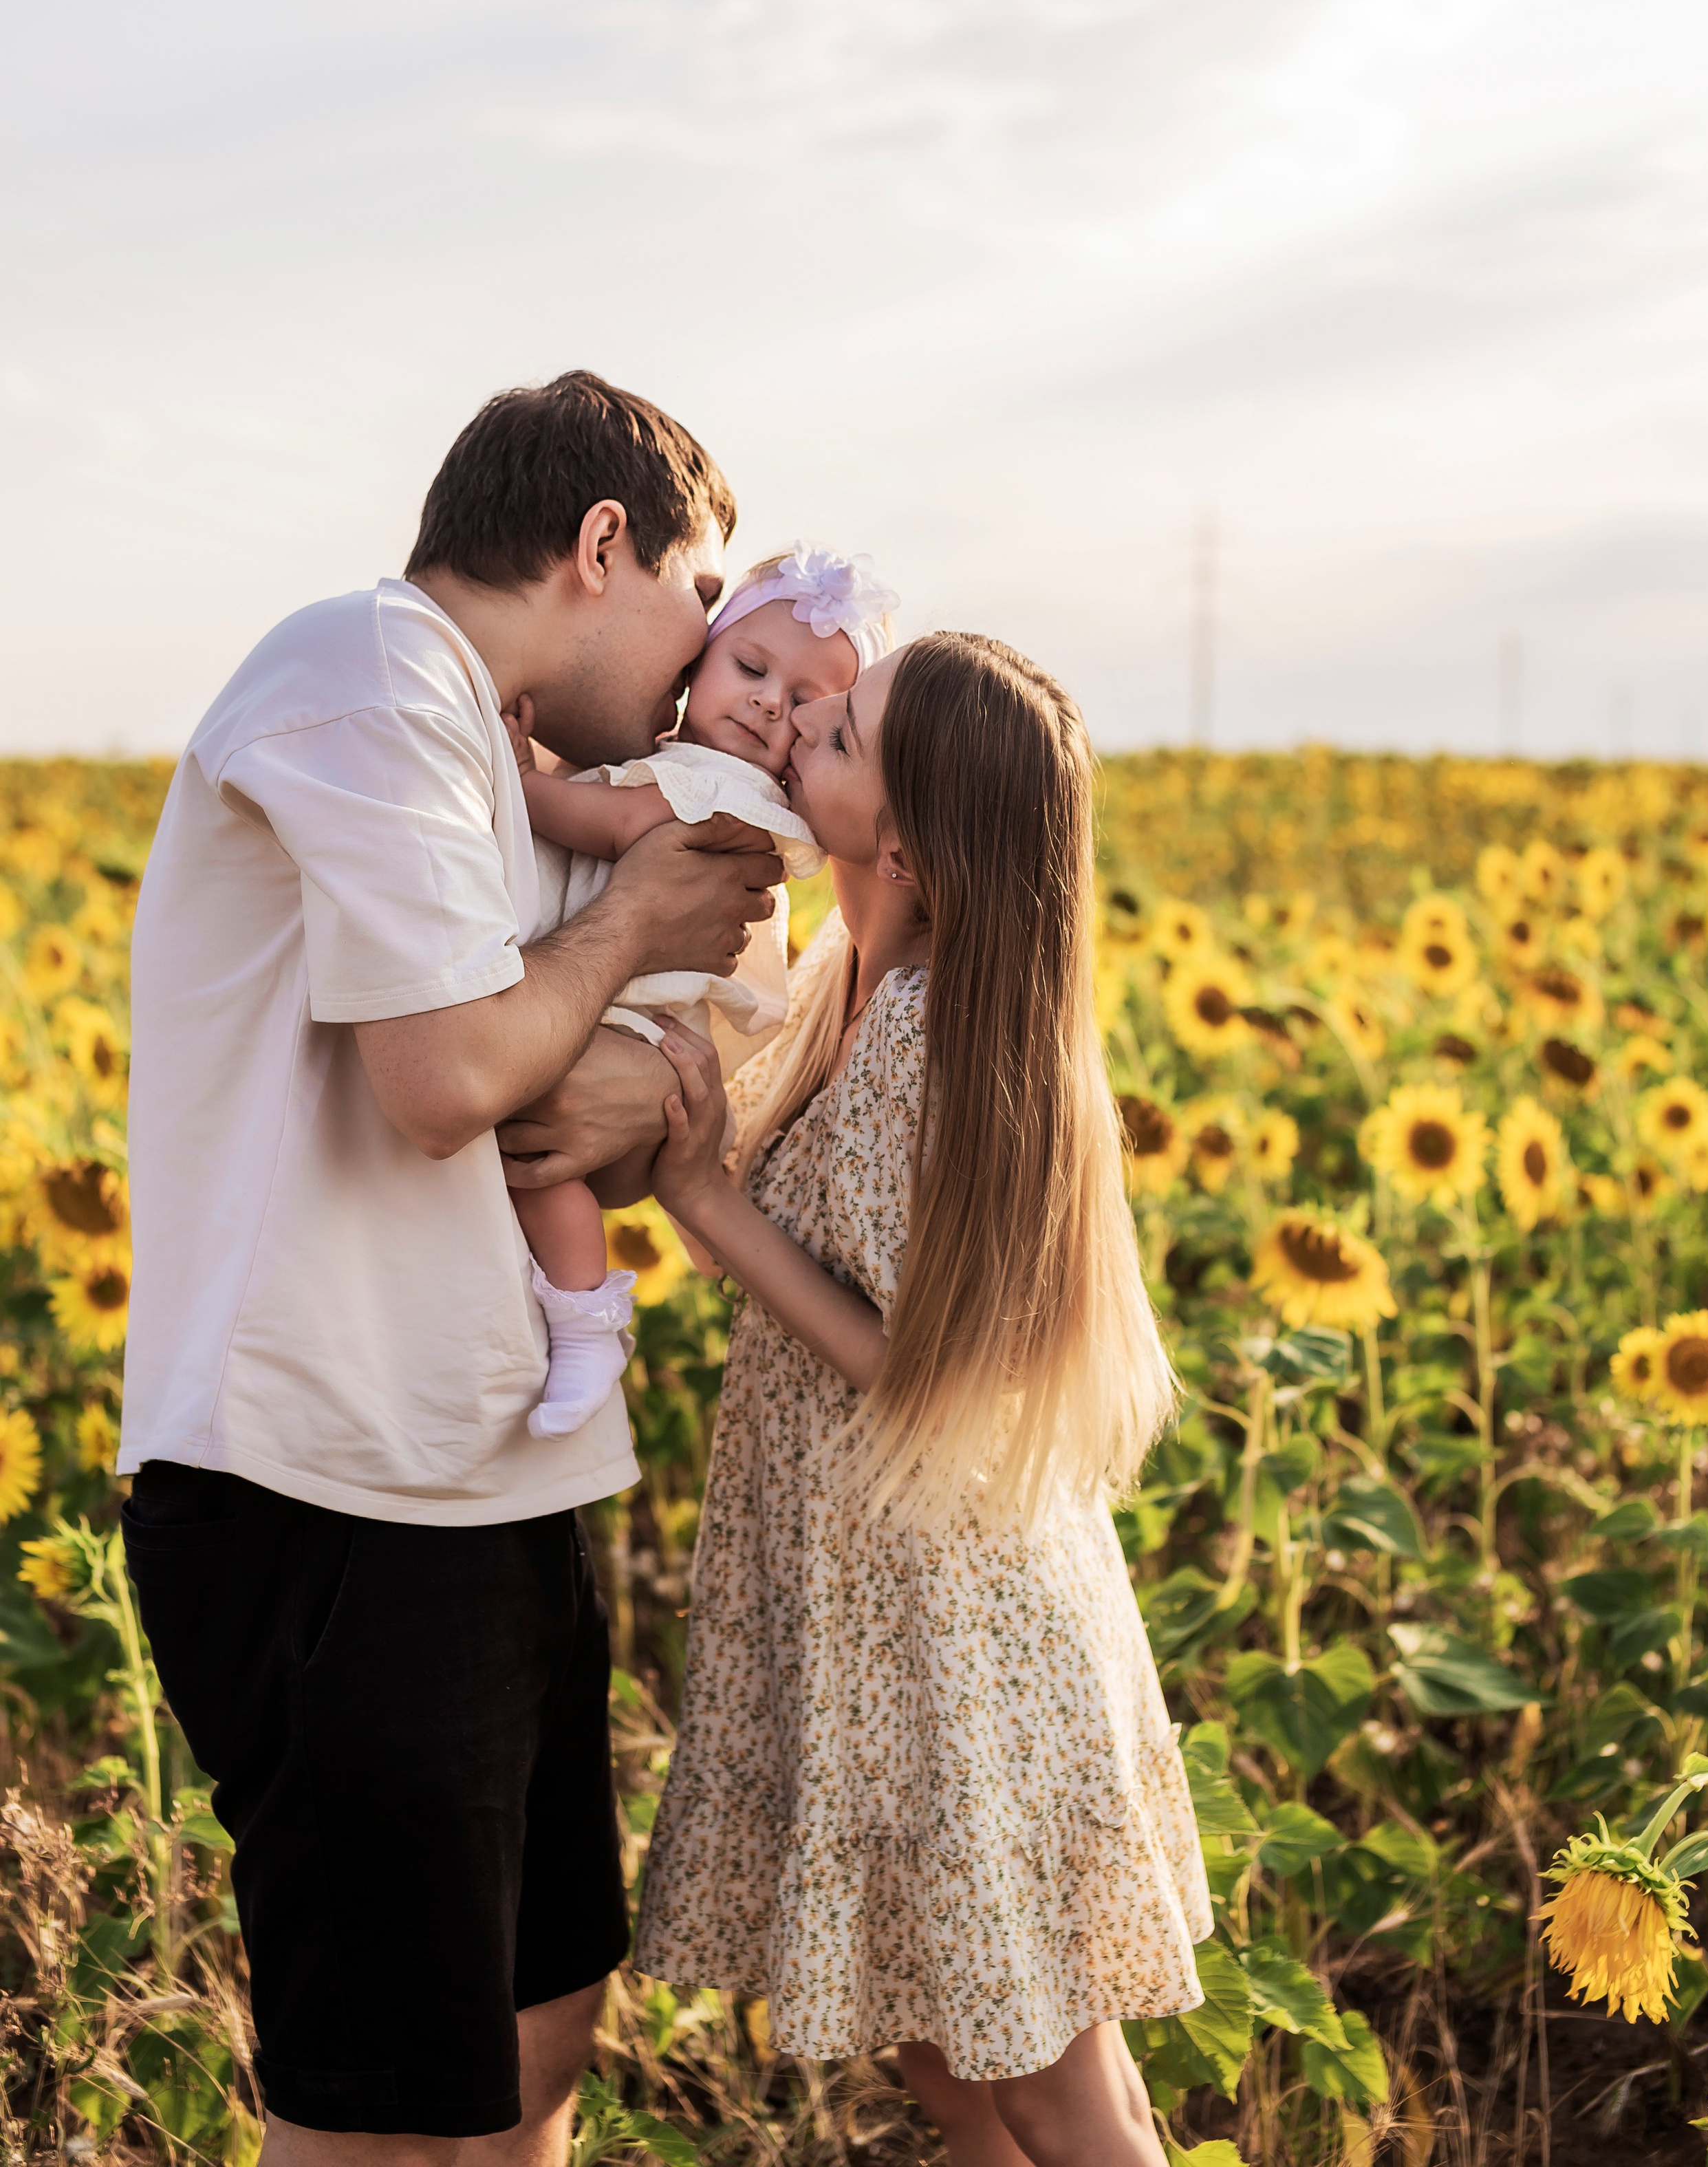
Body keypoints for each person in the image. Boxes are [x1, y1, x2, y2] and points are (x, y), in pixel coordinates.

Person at [118, 371, 782, 2167]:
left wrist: (637, 1064)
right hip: (327, 1487)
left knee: (538, 2025)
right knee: (384, 2109)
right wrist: (636, 934)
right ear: (598, 547)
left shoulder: (492, 748)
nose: (697, 659)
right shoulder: (370, 671)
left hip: (476, 1482)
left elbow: (566, 1098)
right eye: (698, 596)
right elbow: (445, 1079)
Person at [634, 632, 1211, 2167]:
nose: (807, 714)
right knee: (955, 2058)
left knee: (1041, 2079)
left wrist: (703, 1193)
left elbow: (918, 1363)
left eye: (845, 726)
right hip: (886, 1616)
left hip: (949, 1641)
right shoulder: (857, 983)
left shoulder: (922, 1042)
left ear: (903, 838)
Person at [500, 543, 897, 1441]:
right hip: (617, 1003)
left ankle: (585, 1318)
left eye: (804, 703)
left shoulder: (723, 795)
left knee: (539, 1157)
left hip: (630, 1019)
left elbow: (609, 819)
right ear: (696, 664)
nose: (768, 702)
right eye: (749, 668)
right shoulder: (678, 763)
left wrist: (514, 773)